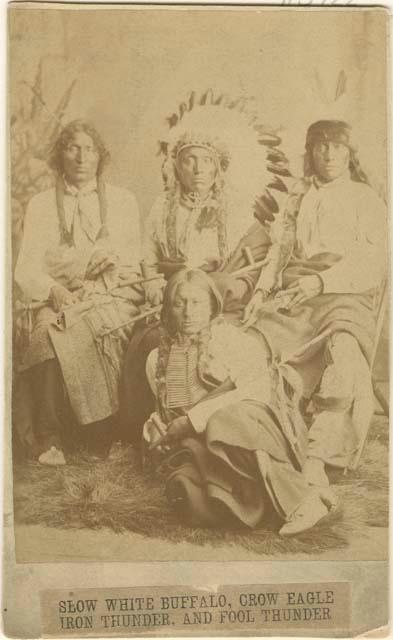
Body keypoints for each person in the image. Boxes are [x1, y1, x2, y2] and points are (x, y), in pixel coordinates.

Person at [120, 89, 291, 445]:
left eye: (207, 161)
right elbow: (147, 258)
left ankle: (192, 426)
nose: (198, 170)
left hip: (219, 305)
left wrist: (218, 286)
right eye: (189, 160)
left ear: (219, 166)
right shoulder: (161, 208)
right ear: (176, 165)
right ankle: (147, 433)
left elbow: (253, 266)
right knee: (145, 342)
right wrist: (155, 289)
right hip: (170, 300)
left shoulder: (236, 209)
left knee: (196, 343)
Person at [243, 120, 387, 488]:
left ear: (349, 152)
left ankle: (318, 459)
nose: (329, 154)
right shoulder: (298, 195)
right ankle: (269, 443)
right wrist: (261, 292)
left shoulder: (364, 198)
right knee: (254, 347)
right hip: (296, 296)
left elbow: (373, 262)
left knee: (343, 354)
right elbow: (279, 253)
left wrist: (320, 281)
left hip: (344, 297)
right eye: (320, 146)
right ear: (309, 152)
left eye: (337, 146)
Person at [142, 269, 335, 536]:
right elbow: (162, 411)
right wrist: (156, 428)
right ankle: (278, 496)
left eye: (196, 302)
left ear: (211, 305)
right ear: (168, 310)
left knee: (226, 420)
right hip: (202, 444)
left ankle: (302, 502)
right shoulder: (156, 360)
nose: (188, 312)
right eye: (179, 303)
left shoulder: (230, 340)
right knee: (192, 495)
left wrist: (194, 418)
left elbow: (259, 391)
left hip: (258, 427)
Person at [14, 119, 143, 465]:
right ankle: (50, 437)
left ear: (101, 157)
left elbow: (131, 259)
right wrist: (54, 288)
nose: (82, 157)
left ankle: (99, 433)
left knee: (94, 330)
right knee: (46, 333)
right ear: (60, 156)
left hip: (110, 295)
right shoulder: (41, 205)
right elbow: (26, 268)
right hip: (55, 295)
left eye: (90, 150)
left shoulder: (123, 201)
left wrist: (96, 278)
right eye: (73, 148)